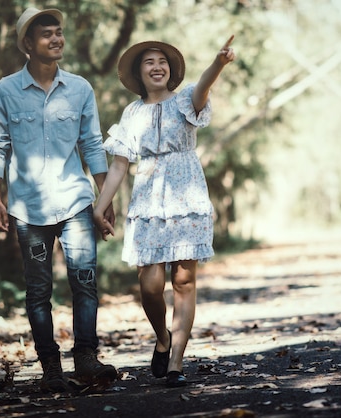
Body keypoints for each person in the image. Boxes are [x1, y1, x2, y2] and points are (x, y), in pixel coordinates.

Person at [0, 7, 118, 393]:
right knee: (39, 290)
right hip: (27, 208)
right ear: (28, 44)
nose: (56, 39)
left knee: (85, 281)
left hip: (75, 200)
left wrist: (104, 196)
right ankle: (51, 368)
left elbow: (92, 143)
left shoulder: (80, 88)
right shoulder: (4, 91)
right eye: (47, 34)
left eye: (59, 32)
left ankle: (87, 358)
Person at [93, 36, 236, 387]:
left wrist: (218, 63)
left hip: (186, 196)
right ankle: (162, 336)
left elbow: (203, 87)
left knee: (184, 280)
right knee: (150, 284)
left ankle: (175, 362)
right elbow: (118, 167)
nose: (157, 66)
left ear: (170, 69)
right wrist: (100, 207)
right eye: (149, 62)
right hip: (148, 200)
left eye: (162, 61)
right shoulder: (132, 112)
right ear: (139, 73)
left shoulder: (186, 99)